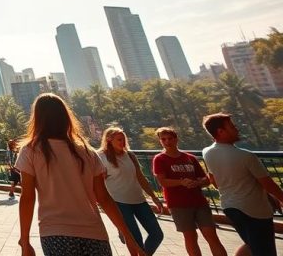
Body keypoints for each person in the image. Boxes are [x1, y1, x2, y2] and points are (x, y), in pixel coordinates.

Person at [15, 93, 143, 256]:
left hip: (56, 234)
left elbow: (27, 197)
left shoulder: (30, 151)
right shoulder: (87, 152)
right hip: (95, 233)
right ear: (66, 118)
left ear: (37, 119)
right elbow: (103, 198)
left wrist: (25, 241)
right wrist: (128, 235)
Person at [201, 113, 283, 256]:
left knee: (252, 245)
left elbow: (214, 180)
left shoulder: (207, 152)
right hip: (254, 210)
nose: (236, 129)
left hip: (230, 207)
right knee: (264, 250)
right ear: (221, 131)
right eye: (232, 126)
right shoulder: (246, 156)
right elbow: (268, 184)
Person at [152, 127, 227, 256]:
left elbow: (206, 179)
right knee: (190, 237)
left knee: (211, 235)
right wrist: (181, 182)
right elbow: (162, 181)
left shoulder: (190, 158)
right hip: (178, 204)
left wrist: (197, 183)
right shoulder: (160, 159)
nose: (167, 142)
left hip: (199, 201)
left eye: (170, 138)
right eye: (163, 139)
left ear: (176, 139)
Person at [97, 127, 165, 256]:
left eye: (123, 139)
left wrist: (154, 197)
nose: (122, 142)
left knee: (157, 234)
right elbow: (98, 181)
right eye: (119, 140)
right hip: (119, 202)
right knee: (135, 239)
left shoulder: (130, 155)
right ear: (109, 141)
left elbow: (140, 177)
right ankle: (123, 232)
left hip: (139, 200)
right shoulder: (101, 157)